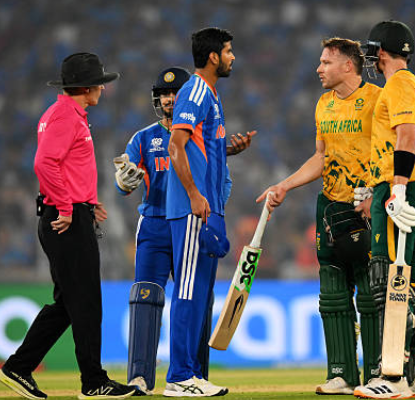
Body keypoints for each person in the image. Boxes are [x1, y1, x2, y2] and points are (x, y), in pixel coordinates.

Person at [0, 52, 136, 400]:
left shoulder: (62, 114)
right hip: (64, 218)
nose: (102, 89)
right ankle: (93, 382)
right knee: (85, 301)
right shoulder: (65, 117)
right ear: (86, 87)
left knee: (71, 302)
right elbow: (44, 163)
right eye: (99, 83)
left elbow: (67, 166)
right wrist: (67, 207)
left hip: (71, 212)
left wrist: (88, 200)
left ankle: (20, 367)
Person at [114, 66, 252, 395]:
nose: (169, 99)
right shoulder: (144, 137)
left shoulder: (202, 136)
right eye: (163, 94)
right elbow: (123, 179)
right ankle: (140, 377)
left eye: (174, 93)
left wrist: (210, 211)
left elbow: (222, 181)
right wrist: (124, 180)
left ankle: (194, 373)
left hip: (191, 222)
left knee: (197, 298)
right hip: (154, 226)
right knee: (146, 297)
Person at [257, 38, 382, 395]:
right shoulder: (324, 104)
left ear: (348, 65)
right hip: (331, 206)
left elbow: (390, 153)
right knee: (332, 293)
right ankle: (341, 373)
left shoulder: (378, 100)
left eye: (326, 62)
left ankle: (379, 372)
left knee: (372, 292)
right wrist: (285, 185)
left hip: (366, 206)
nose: (319, 68)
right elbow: (321, 157)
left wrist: (377, 194)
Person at [353, 20, 415, 399]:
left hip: (400, 187)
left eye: (372, 51)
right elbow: (411, 142)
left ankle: (393, 377)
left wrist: (397, 189)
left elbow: (406, 136)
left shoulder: (399, 85)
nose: (370, 58)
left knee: (390, 279)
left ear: (382, 52)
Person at [164, 27, 252, 397]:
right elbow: (175, 144)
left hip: (208, 209)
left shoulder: (210, 94)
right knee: (187, 292)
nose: (232, 57)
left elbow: (197, 146)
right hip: (193, 210)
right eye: (228, 51)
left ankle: (193, 374)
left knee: (200, 294)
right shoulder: (196, 90)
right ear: (213, 57)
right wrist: (193, 194)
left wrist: (227, 151)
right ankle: (178, 378)